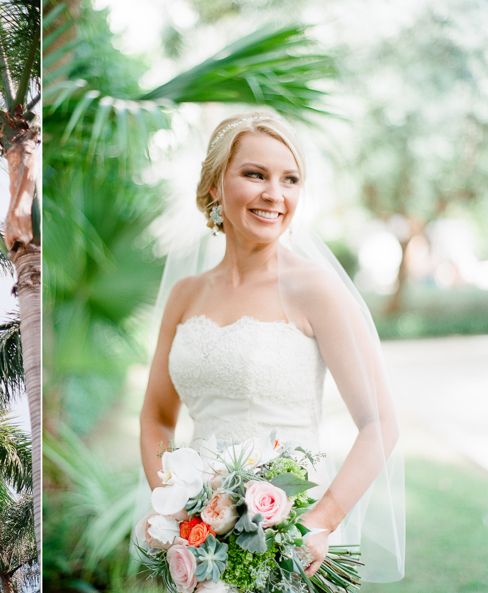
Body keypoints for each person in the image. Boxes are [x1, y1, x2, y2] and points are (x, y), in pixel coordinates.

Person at [138, 112, 404, 582]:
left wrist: (318, 523)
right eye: (254, 174)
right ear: (215, 185)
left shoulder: (315, 289)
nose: (274, 194)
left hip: (289, 538)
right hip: (200, 545)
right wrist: (175, 510)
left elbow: (379, 423)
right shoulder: (185, 294)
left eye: (290, 179)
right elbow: (157, 416)